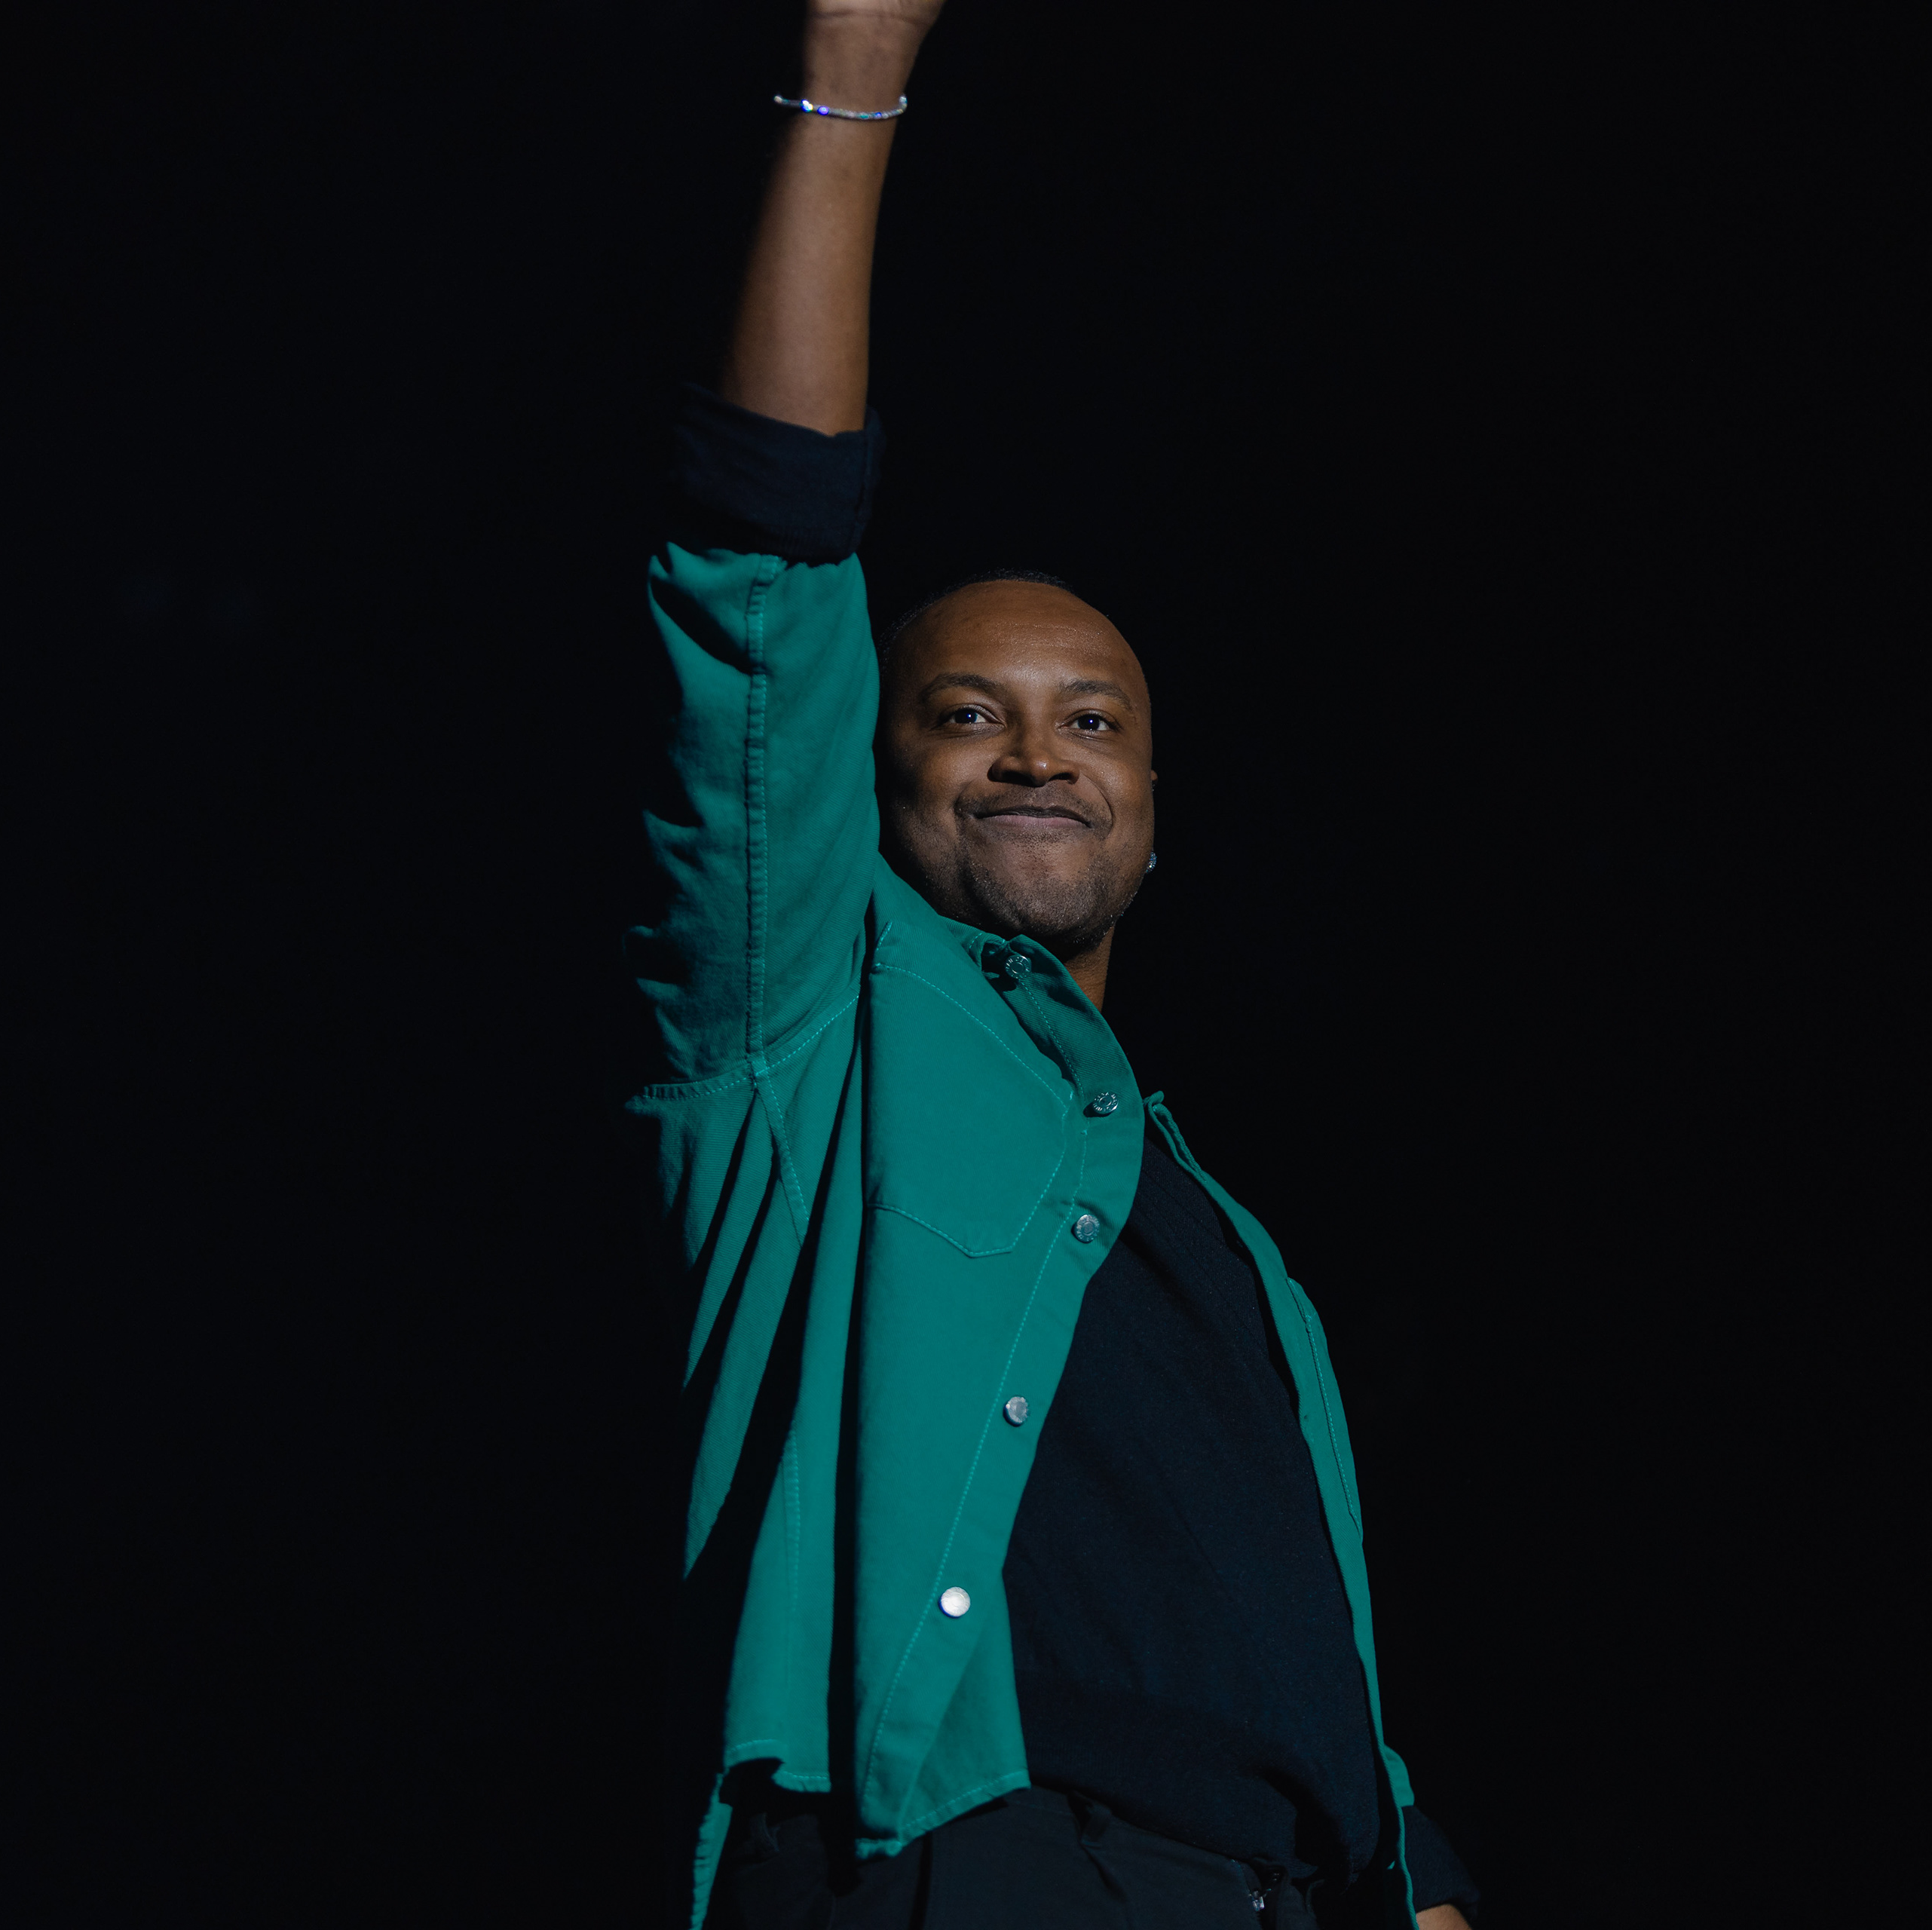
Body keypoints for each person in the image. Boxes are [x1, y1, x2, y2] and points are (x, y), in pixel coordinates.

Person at [630, 4, 1480, 1924]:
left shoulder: (1229, 1241)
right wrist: (855, 67)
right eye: (966, 713)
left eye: (1091, 720)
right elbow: (760, 564)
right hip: (974, 1863)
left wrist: (1413, 1870)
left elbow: (1293, 1629)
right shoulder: (809, 1024)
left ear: (1156, 813)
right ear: (863, 782)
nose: (1035, 752)